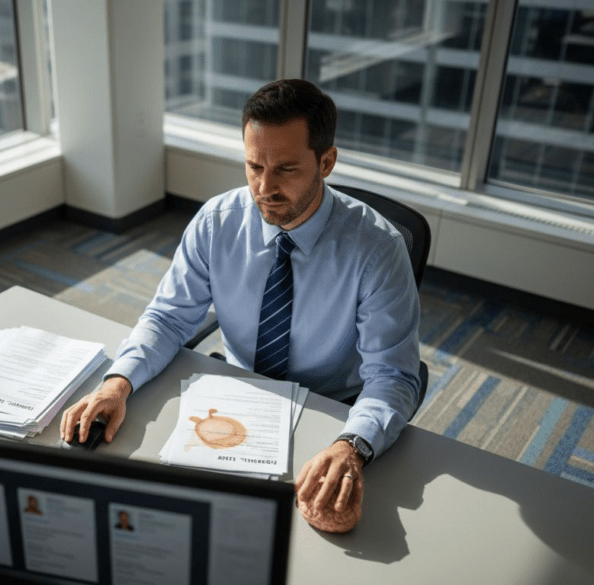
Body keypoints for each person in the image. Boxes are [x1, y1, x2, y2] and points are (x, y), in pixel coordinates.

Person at [61, 79, 420, 532]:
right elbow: (168, 318)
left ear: (326, 162)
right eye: (254, 166)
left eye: (286, 169)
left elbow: (393, 376)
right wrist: (117, 384)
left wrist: (352, 444)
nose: (264, 188)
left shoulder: (378, 249)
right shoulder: (217, 223)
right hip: (237, 400)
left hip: (330, 411)